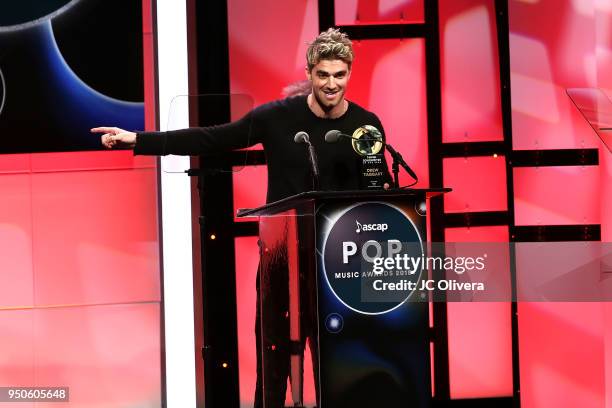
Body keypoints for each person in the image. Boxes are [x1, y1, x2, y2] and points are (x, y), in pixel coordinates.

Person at [93, 28, 391, 407]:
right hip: (281, 257)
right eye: (323, 75)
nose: (331, 84)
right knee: (274, 361)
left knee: (339, 363)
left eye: (339, 75)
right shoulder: (277, 118)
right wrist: (140, 140)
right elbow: (212, 138)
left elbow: (376, 195)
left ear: (349, 74)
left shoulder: (365, 127)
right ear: (309, 72)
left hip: (340, 266)